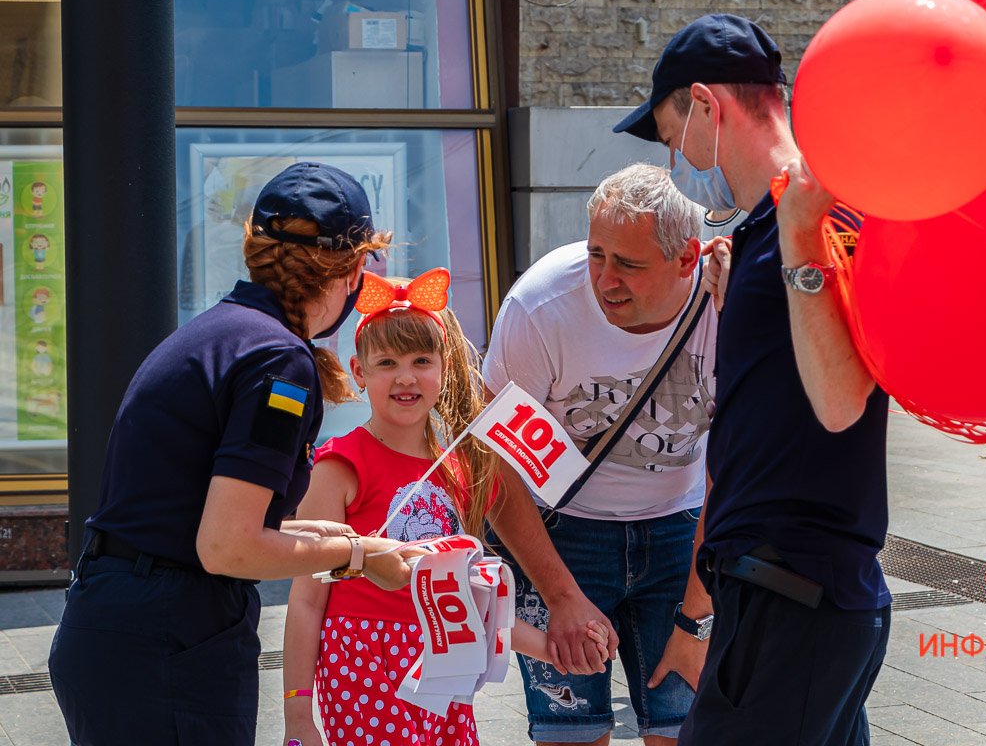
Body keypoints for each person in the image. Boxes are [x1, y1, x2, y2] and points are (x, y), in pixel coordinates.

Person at [48, 162, 423, 746]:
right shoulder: (277, 360)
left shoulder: (221, 332)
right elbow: (227, 545)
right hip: (169, 638)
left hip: (121, 623)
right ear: (351, 271)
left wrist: (358, 541)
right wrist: (357, 553)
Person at [613, 13, 891, 745]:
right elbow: (785, 392)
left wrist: (800, 243)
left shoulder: (818, 213)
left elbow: (841, 404)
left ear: (707, 104)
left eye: (673, 135)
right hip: (784, 590)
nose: (676, 157)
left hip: (794, 592)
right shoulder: (761, 231)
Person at [281, 272, 610, 746]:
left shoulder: (457, 466)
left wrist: (554, 651)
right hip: (364, 665)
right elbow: (306, 598)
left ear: (444, 367)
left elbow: (471, 600)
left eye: (421, 360)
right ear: (359, 371)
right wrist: (296, 712)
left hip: (447, 665)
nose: (406, 376)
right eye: (387, 362)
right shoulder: (341, 464)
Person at [482, 163, 718, 746]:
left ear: (688, 258)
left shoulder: (729, 303)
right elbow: (494, 467)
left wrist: (697, 616)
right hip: (562, 536)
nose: (604, 280)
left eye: (628, 265)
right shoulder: (539, 306)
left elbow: (737, 473)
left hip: (680, 535)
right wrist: (560, 594)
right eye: (595, 255)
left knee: (681, 732)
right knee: (572, 736)